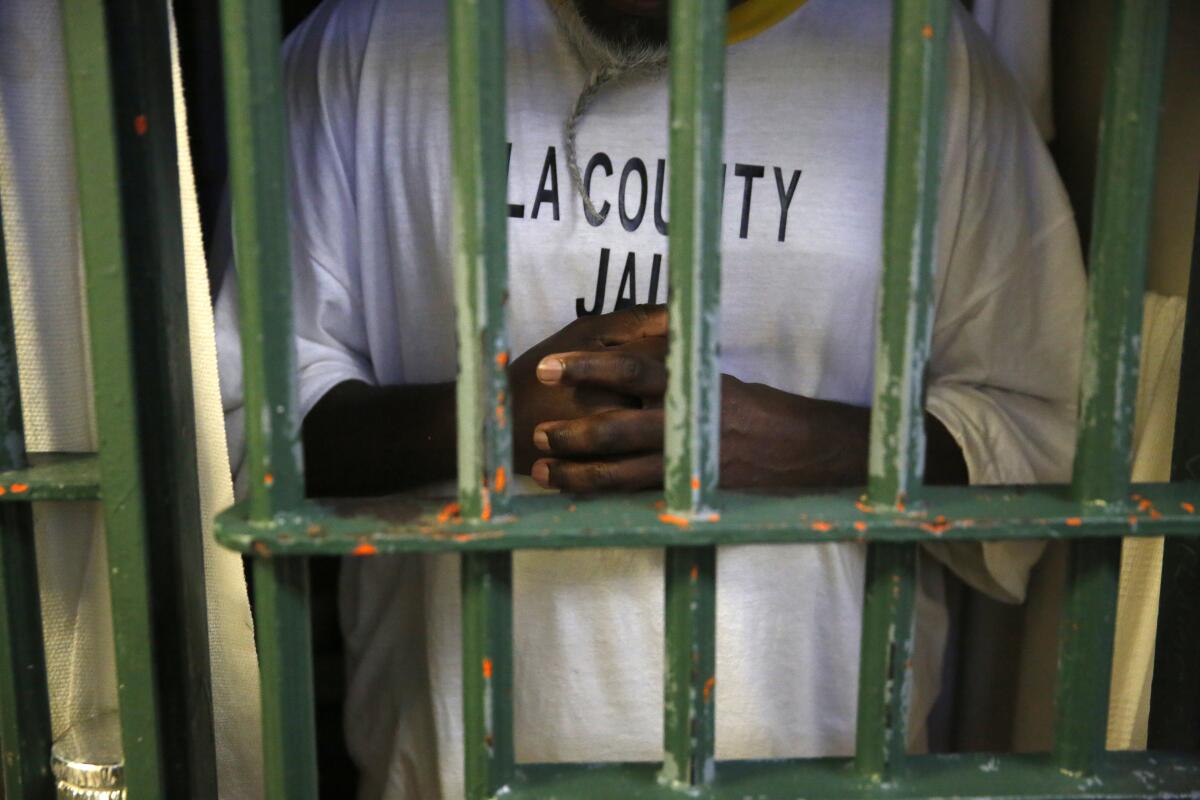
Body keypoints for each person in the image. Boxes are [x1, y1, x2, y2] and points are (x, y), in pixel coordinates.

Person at [214, 0, 1086, 796]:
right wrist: (482, 422)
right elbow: (242, 430)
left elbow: (1041, 442)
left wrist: (798, 445)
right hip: (450, 774)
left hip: (826, 773)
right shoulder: (368, 44)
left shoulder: (924, 60)